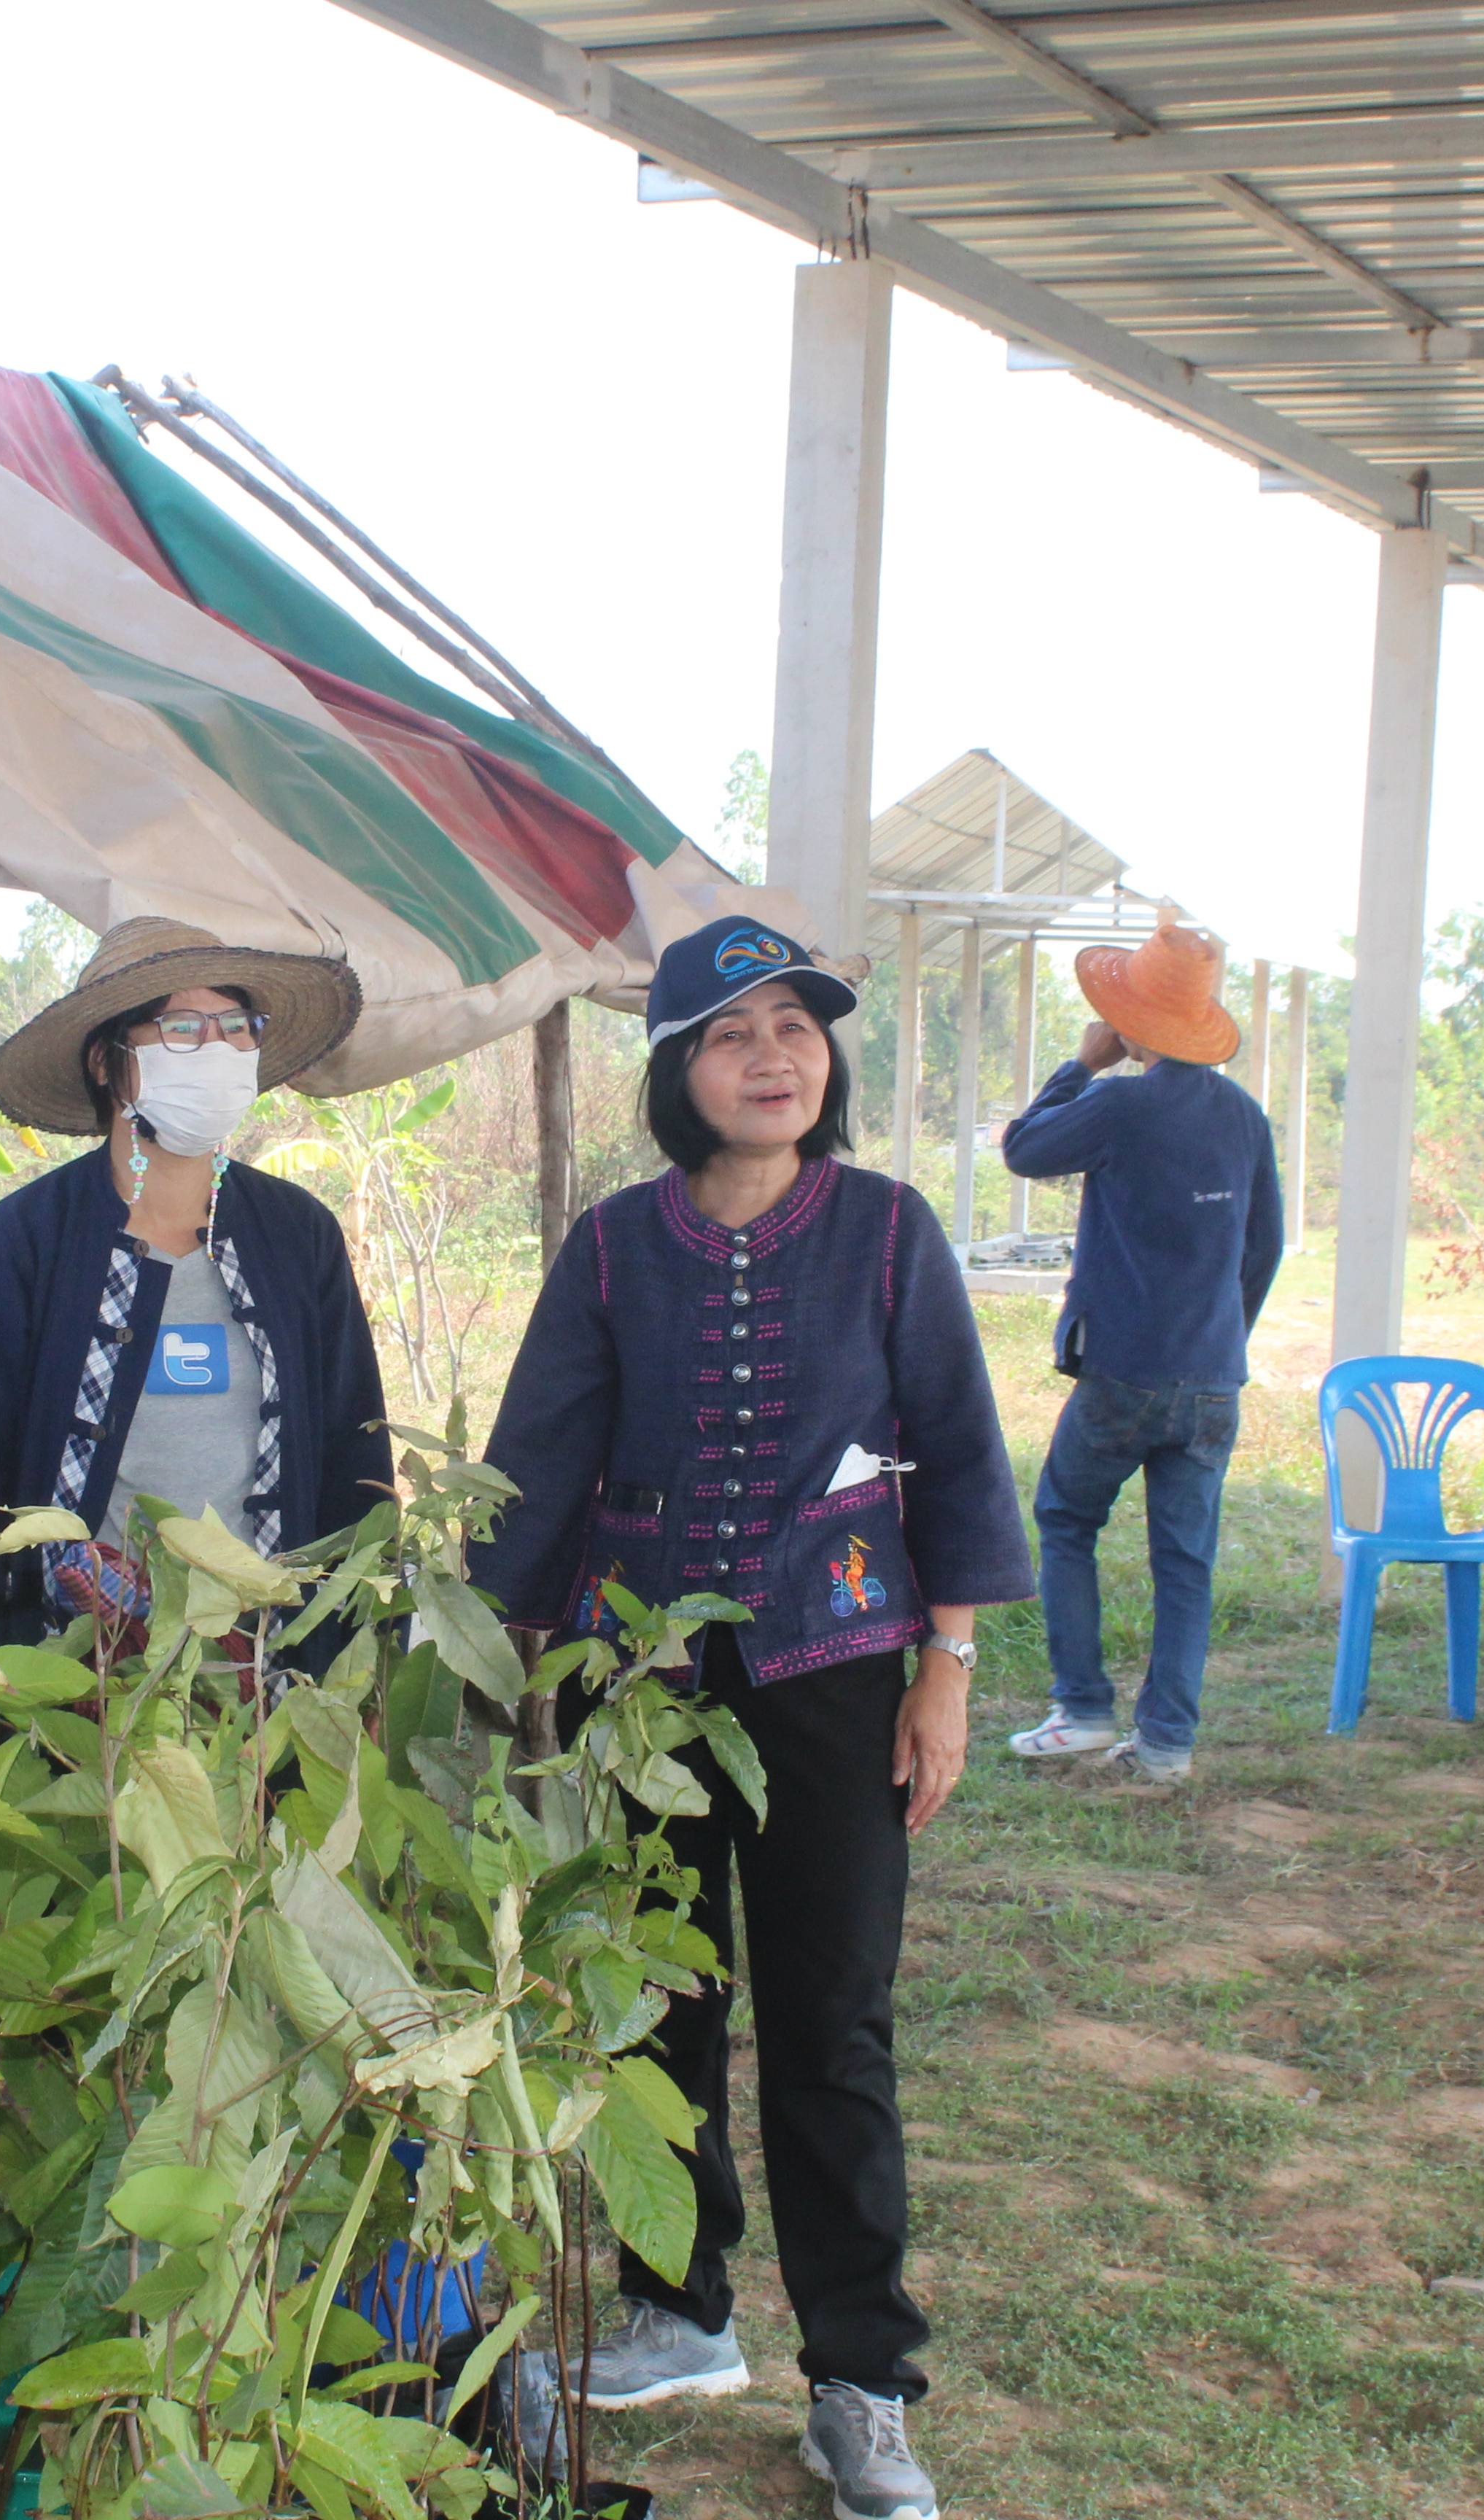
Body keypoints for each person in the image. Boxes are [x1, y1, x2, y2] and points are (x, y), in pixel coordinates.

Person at [469, 914, 1031, 2520]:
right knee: (659, 2003)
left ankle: (862, 2381)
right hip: (639, 1690)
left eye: (796, 1027)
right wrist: (493, 1664)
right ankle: (676, 2310)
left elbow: (960, 1452)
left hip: (833, 1676)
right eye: (732, 1033)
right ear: (677, 1071)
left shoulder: (888, 1233)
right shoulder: (610, 1248)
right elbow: (541, 1459)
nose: (772, 1057)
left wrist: (946, 1668)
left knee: (831, 2023)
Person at [0, 918, 392, 1652]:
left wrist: (360, 1646)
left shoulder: (298, 1235)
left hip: (267, 1666)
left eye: (235, 1027)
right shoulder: (21, 1244)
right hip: (88, 1664)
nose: (216, 1048)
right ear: (105, 1061)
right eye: (181, 1028)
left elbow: (352, 1454)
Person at [994, 916, 1284, 1784]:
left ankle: (1083, 1708)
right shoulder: (1245, 1117)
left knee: (1066, 1518)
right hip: (1214, 1378)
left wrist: (1082, 1065)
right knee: (1185, 1563)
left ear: (1130, 1022)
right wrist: (1221, 1338)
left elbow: (1023, 1150)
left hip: (1125, 1370)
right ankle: (1165, 1747)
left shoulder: (1118, 1104)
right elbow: (1264, 1247)